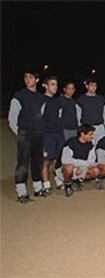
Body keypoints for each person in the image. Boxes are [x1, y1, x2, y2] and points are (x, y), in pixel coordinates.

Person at [8, 69, 47, 203]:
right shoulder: (19, 96)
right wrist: (20, 133)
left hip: (38, 133)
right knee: (23, 163)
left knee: (37, 162)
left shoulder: (41, 98)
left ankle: (37, 188)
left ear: (37, 80)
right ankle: (21, 193)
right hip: (25, 133)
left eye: (30, 77)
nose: (27, 80)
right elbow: (12, 118)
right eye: (25, 77)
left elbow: (41, 116)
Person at [55, 124, 101, 197]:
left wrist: (81, 167)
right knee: (68, 167)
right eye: (90, 134)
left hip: (80, 168)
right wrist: (78, 166)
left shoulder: (91, 143)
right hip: (63, 170)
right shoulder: (70, 143)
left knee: (96, 171)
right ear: (82, 134)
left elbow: (91, 161)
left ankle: (78, 181)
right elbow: (65, 161)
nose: (92, 136)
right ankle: (67, 184)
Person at [41, 75, 65, 195]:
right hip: (46, 135)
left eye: (56, 84)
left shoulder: (58, 101)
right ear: (45, 85)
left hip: (58, 134)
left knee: (57, 159)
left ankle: (58, 180)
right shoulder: (40, 100)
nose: (55, 87)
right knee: (45, 160)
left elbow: (60, 117)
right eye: (52, 84)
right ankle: (46, 185)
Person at [76, 78, 105, 144]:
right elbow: (78, 114)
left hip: (99, 127)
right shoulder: (81, 99)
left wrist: (104, 122)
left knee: (101, 145)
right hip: (87, 128)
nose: (94, 87)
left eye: (95, 85)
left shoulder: (101, 99)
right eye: (91, 85)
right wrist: (80, 126)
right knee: (89, 147)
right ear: (86, 86)